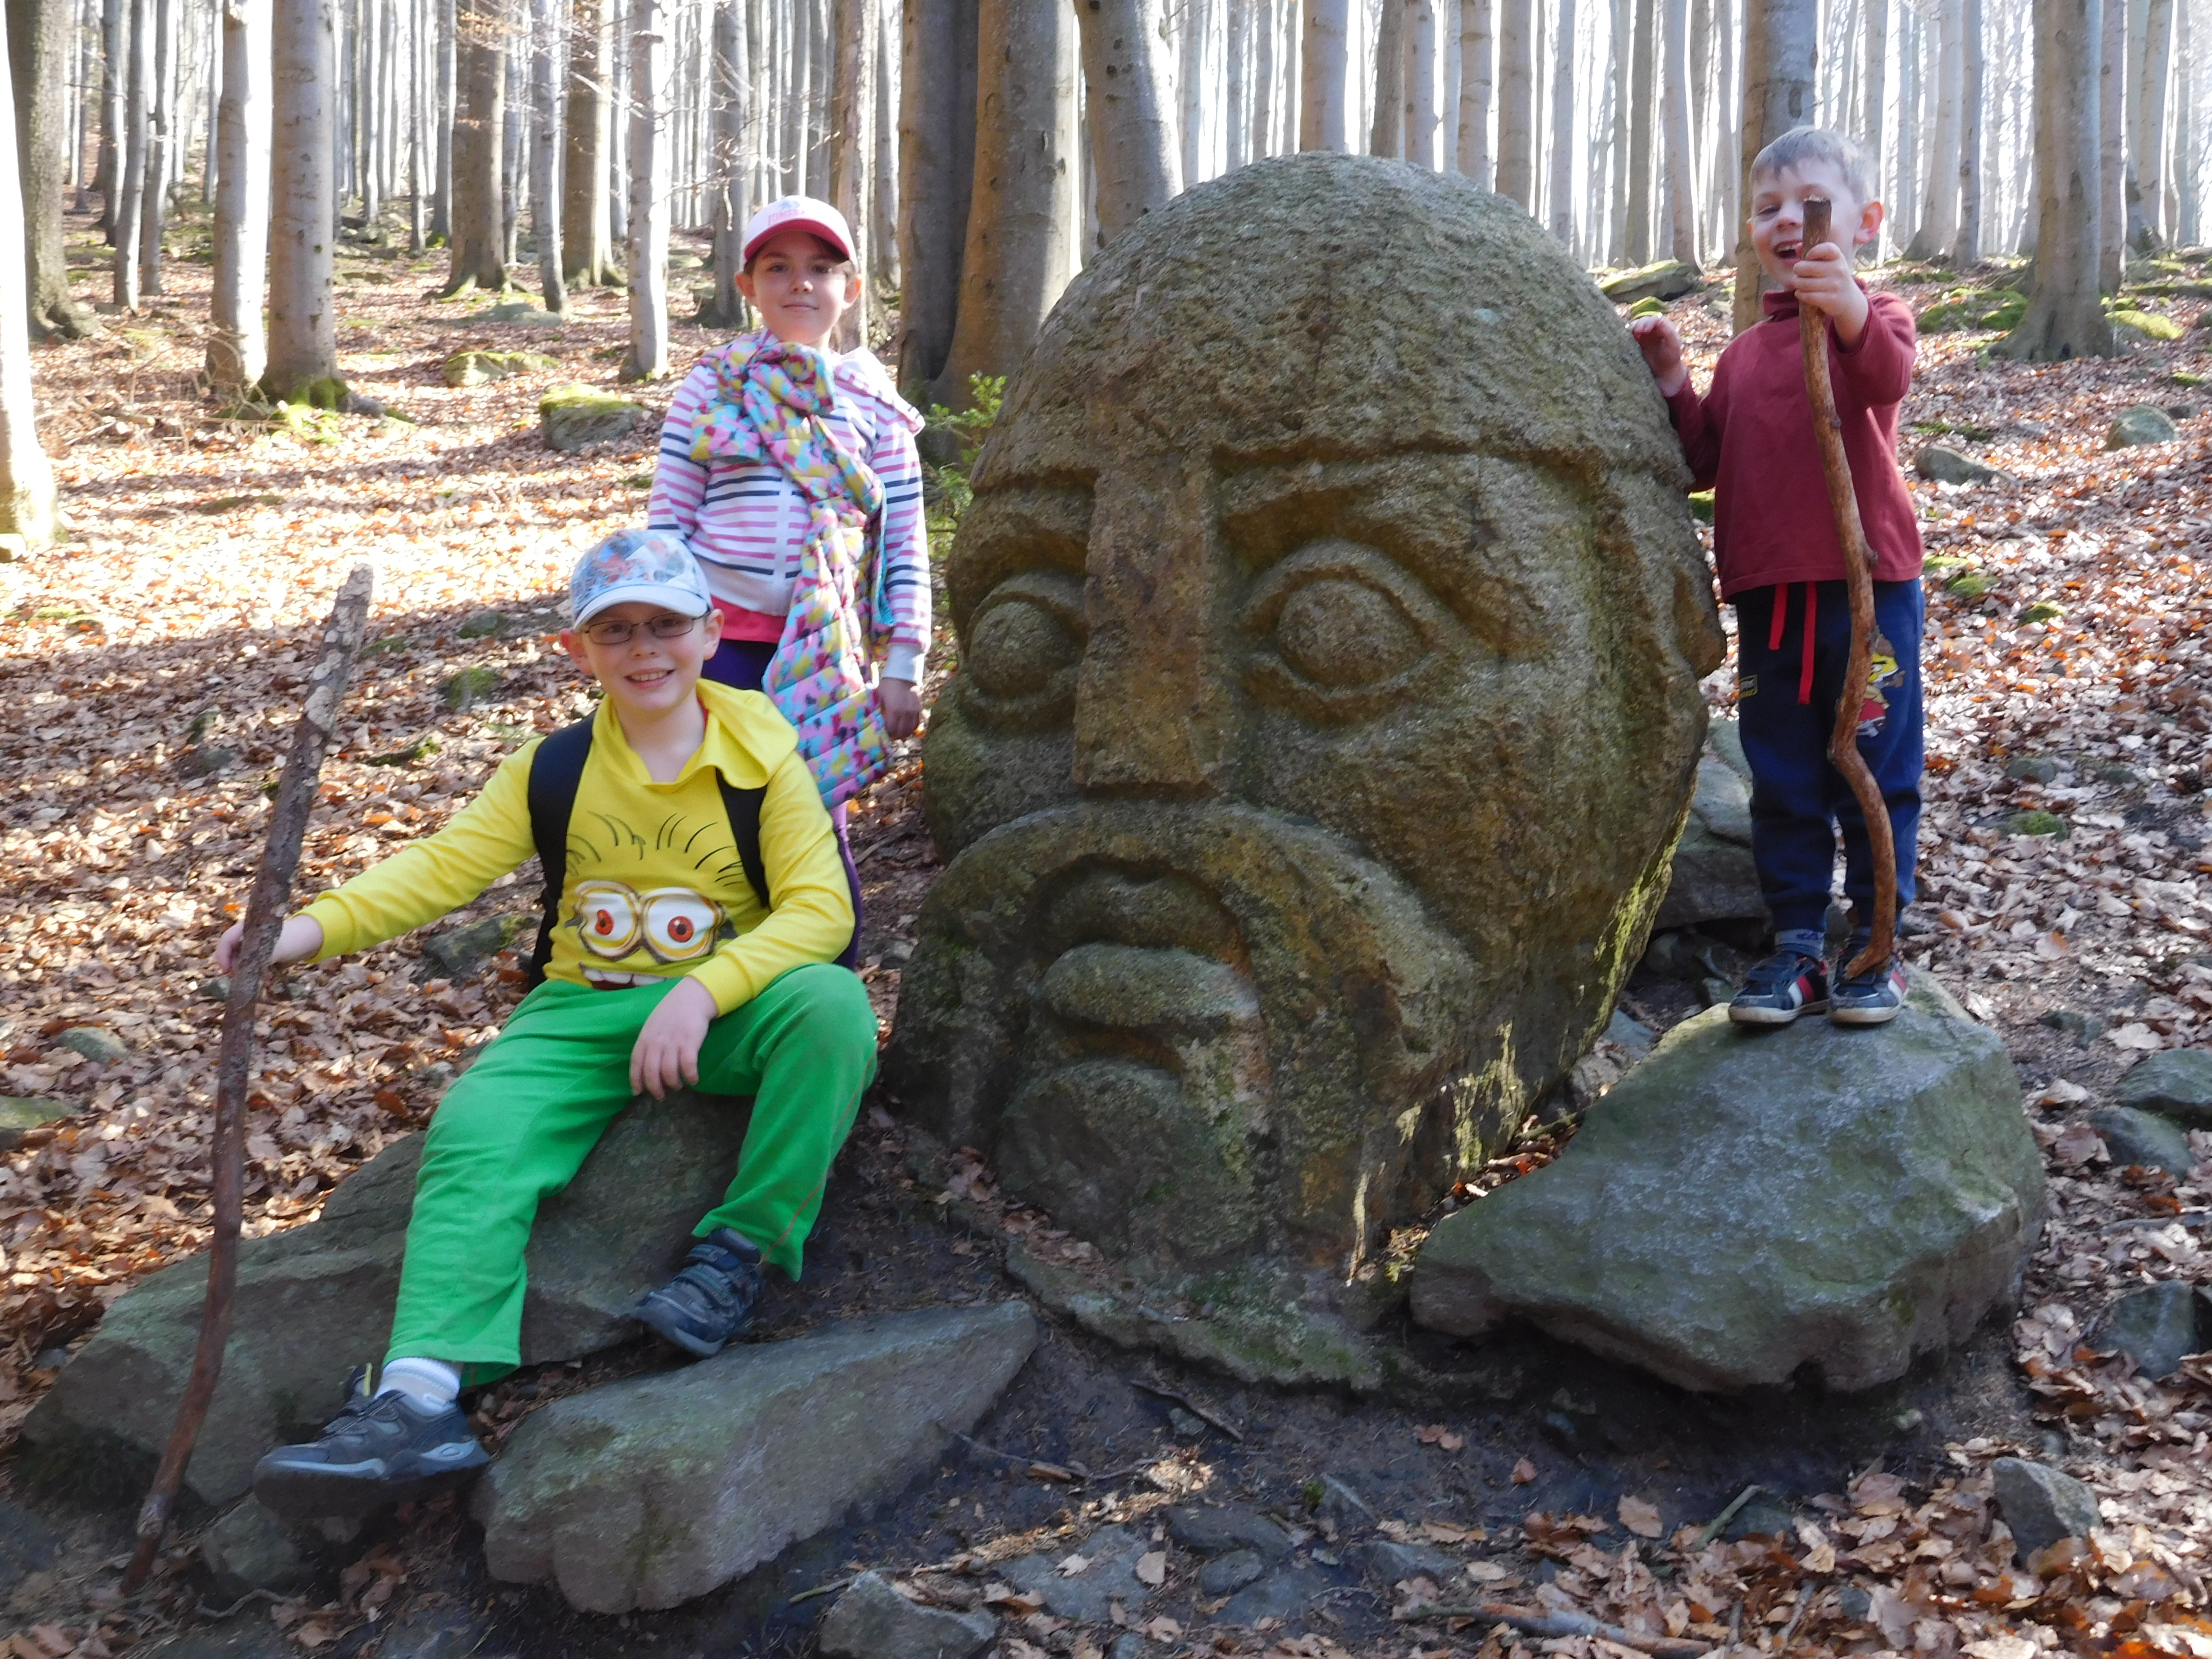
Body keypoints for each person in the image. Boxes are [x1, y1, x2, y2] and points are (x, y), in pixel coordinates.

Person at [217, 530, 878, 1519]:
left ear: (711, 634)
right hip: (578, 1011)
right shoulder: (555, 769)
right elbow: (441, 868)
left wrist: (701, 993)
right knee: (477, 1127)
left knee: (832, 1009)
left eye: (665, 625)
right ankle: (419, 1398)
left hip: (726, 1008)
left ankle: (739, 1253)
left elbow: (820, 912)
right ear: (578, 651)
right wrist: (294, 932)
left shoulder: (764, 760)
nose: (644, 648)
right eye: (617, 631)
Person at [1630, 125, 1923, 1027]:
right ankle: (1796, 944)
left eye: (1811, 204)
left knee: (1876, 765)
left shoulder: (1878, 317)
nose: (1787, 220)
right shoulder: (1747, 354)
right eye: (1767, 208)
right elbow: (1705, 460)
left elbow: (1887, 377)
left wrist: (1848, 308)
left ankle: (1875, 945)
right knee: (1784, 774)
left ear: (1864, 222)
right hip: (1771, 601)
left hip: (1867, 591)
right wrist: (1675, 382)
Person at [647, 194, 930, 966]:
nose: (800, 284)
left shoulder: (875, 410)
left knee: (811, 818)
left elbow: (903, 544)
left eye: (821, 269)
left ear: (852, 288)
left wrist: (904, 664)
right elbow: (668, 526)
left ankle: (826, 986)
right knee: (710, 811)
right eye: (778, 268)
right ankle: (702, 980)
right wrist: (666, 637)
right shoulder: (714, 388)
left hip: (824, 651)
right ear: (748, 286)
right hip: (719, 646)